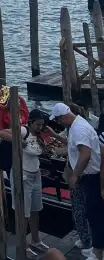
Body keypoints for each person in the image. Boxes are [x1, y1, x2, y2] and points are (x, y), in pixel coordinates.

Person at [49, 103, 104, 260]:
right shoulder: (77, 125)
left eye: (59, 120)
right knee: (92, 213)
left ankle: (98, 251)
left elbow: (85, 154)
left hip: (91, 177)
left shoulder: (79, 129)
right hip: (89, 176)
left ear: (64, 117)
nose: (59, 123)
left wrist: (75, 175)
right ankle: (96, 248)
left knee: (96, 215)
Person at [0, 108, 48, 254]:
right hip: (23, 174)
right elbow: (1, 133)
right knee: (23, 212)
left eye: (42, 125)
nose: (40, 127)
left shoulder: (39, 135)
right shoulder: (23, 131)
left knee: (35, 209)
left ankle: (35, 239)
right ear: (31, 122)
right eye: (37, 125)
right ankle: (23, 243)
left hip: (36, 173)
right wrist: (18, 140)